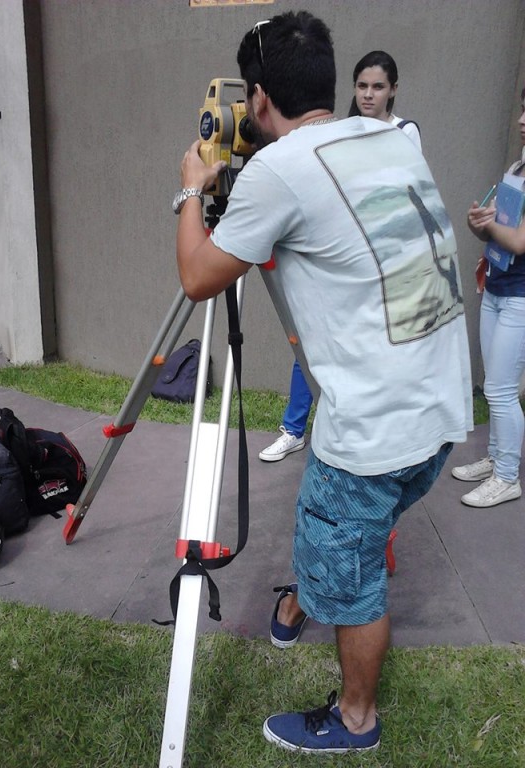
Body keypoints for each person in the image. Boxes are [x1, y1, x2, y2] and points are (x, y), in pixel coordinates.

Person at [174, 10, 472, 755]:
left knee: (355, 573)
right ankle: (313, 585)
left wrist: (190, 190)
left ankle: (356, 720)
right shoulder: (390, 137)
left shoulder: (280, 171)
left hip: (373, 434)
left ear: (260, 97)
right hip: (438, 411)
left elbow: (198, 276)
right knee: (347, 537)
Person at [259, 49, 421, 464]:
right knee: (310, 339)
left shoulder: (404, 132)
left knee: (369, 353)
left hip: (382, 261)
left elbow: (402, 197)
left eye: (378, 86)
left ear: (393, 90)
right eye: (362, 86)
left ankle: (370, 441)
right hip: (339, 254)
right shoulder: (343, 129)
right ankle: (294, 429)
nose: (368, 94)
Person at [451, 94, 525, 507]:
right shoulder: (516, 168)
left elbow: (517, 238)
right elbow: (499, 231)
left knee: (499, 390)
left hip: (520, 297)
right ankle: (497, 459)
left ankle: (508, 476)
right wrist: (479, 223)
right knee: (495, 386)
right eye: (522, 108)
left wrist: (492, 225)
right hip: (498, 286)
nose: (521, 119)